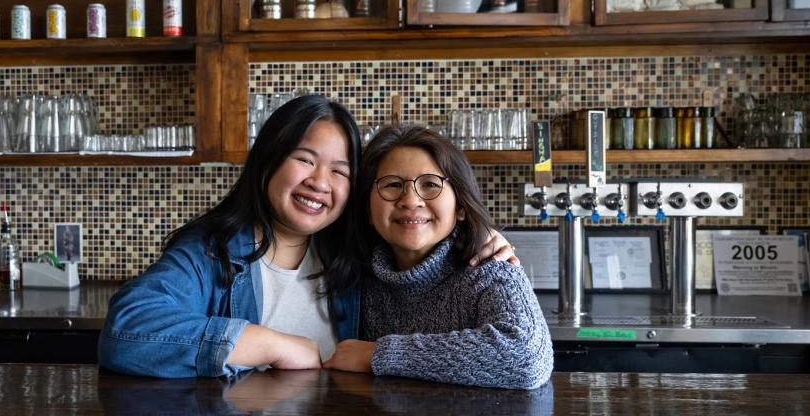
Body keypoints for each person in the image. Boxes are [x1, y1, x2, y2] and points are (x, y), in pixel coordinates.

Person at [99, 96, 518, 379]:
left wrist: (476, 233)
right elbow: (127, 333)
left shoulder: (358, 255)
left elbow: (420, 242)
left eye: (340, 170)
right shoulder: (210, 253)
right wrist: (273, 346)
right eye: (304, 160)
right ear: (267, 162)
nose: (320, 182)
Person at [323, 125, 553, 390]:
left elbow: (526, 357)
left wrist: (378, 354)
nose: (410, 200)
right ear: (368, 211)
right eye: (392, 185)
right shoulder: (355, 276)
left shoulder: (491, 268)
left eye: (430, 184)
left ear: (461, 207)